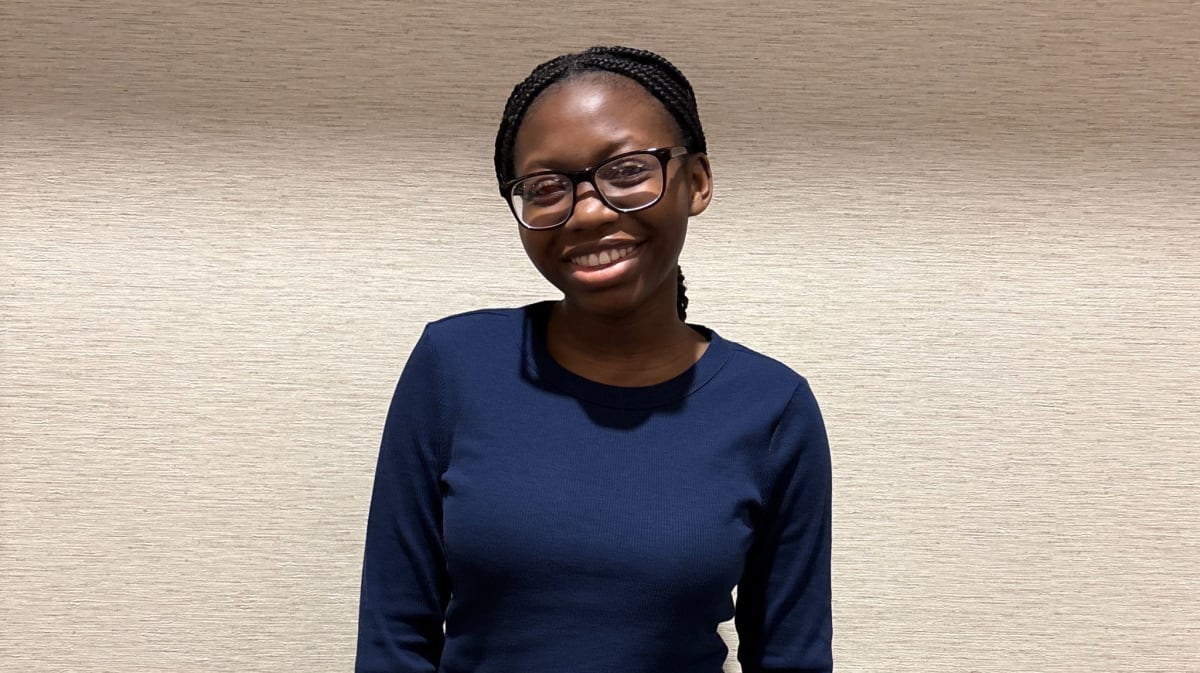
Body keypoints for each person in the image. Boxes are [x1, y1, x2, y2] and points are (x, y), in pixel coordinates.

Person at [355, 46, 832, 673]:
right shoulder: (454, 365)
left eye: (628, 171)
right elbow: (393, 638)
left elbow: (792, 655)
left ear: (697, 181)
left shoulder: (772, 407)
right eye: (545, 188)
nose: (588, 212)